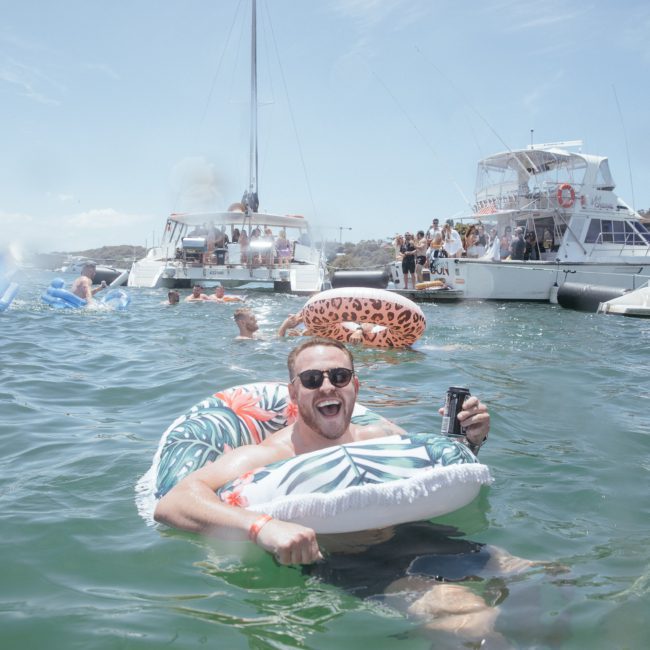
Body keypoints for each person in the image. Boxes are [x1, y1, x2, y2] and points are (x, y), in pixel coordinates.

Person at [154, 338, 501, 640]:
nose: (327, 387)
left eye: (339, 376)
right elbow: (175, 502)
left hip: (416, 535)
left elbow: (437, 469)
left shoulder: (382, 437)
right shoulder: (267, 456)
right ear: (293, 392)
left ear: (355, 387)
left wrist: (471, 440)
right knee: (471, 620)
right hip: (344, 558)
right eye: (311, 379)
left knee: (545, 577)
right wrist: (262, 526)